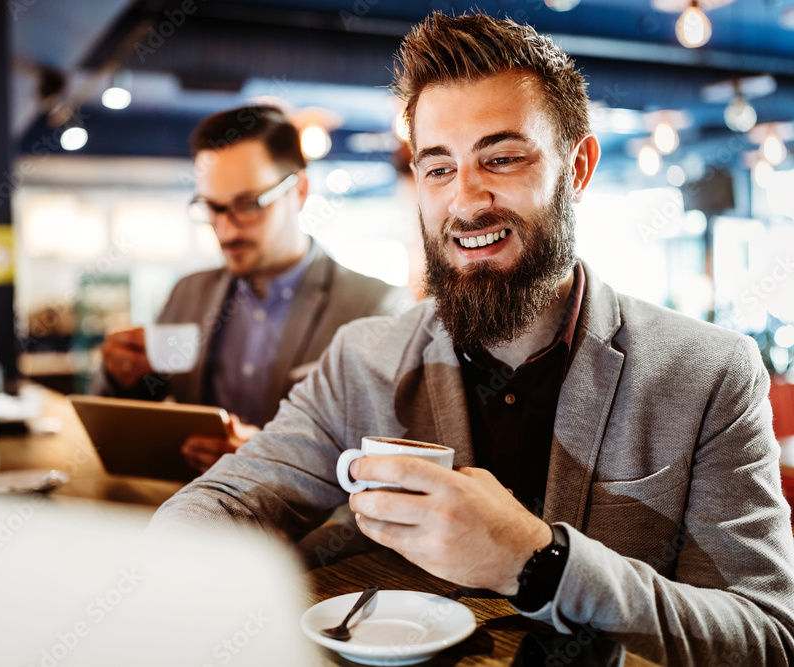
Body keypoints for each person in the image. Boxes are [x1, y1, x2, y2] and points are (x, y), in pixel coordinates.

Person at [151, 13, 794, 664]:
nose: (465, 200)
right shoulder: (361, 359)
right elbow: (231, 495)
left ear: (578, 167)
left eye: (502, 158)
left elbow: (766, 635)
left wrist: (539, 561)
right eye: (437, 168)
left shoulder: (709, 372)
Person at [91, 105, 412, 472]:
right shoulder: (189, 294)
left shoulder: (374, 306)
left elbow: (387, 459)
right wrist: (123, 378)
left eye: (248, 205)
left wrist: (269, 458)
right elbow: (139, 413)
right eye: (213, 207)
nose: (226, 230)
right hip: (192, 517)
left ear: (300, 191)